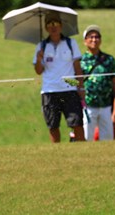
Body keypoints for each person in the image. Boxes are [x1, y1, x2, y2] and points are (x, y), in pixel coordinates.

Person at [33, 12, 85, 143]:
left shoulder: (70, 43)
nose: (53, 27)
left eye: (56, 23)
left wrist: (81, 87)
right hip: (49, 90)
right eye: (50, 24)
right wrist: (39, 59)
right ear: (46, 28)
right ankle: (56, 153)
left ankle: (83, 151)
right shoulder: (41, 46)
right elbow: (38, 71)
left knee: (77, 123)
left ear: (61, 26)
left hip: (69, 88)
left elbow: (77, 67)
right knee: (53, 126)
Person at [80, 25, 115, 141]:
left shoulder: (109, 59)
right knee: (87, 137)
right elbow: (71, 80)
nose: (94, 40)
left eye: (97, 37)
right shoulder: (79, 60)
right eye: (91, 37)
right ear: (85, 41)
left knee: (108, 138)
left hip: (106, 106)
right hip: (87, 106)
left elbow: (114, 83)